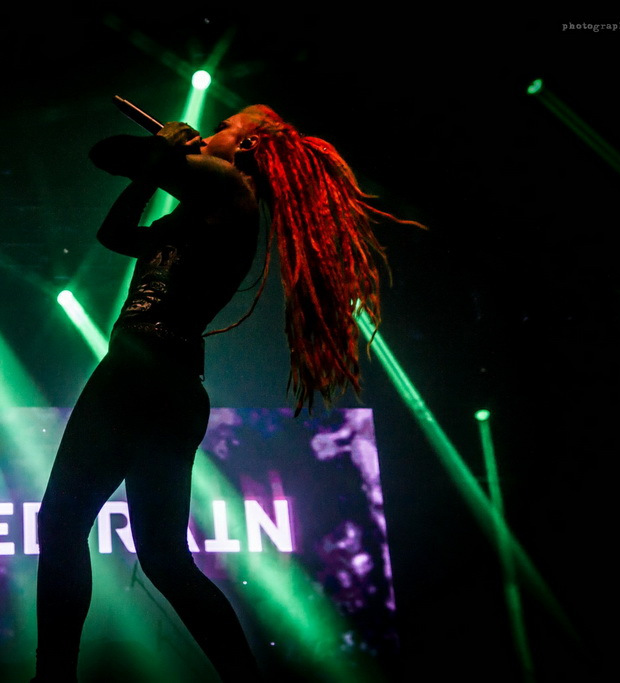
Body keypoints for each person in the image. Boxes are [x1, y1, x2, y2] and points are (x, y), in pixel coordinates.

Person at [33, 105, 421, 682]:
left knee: (61, 523)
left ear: (246, 148)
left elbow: (108, 152)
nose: (209, 131)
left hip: (139, 370)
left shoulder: (229, 186)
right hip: (173, 383)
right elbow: (114, 236)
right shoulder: (202, 208)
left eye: (223, 128)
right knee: (164, 559)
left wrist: (164, 150)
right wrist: (161, 163)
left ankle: (53, 678)